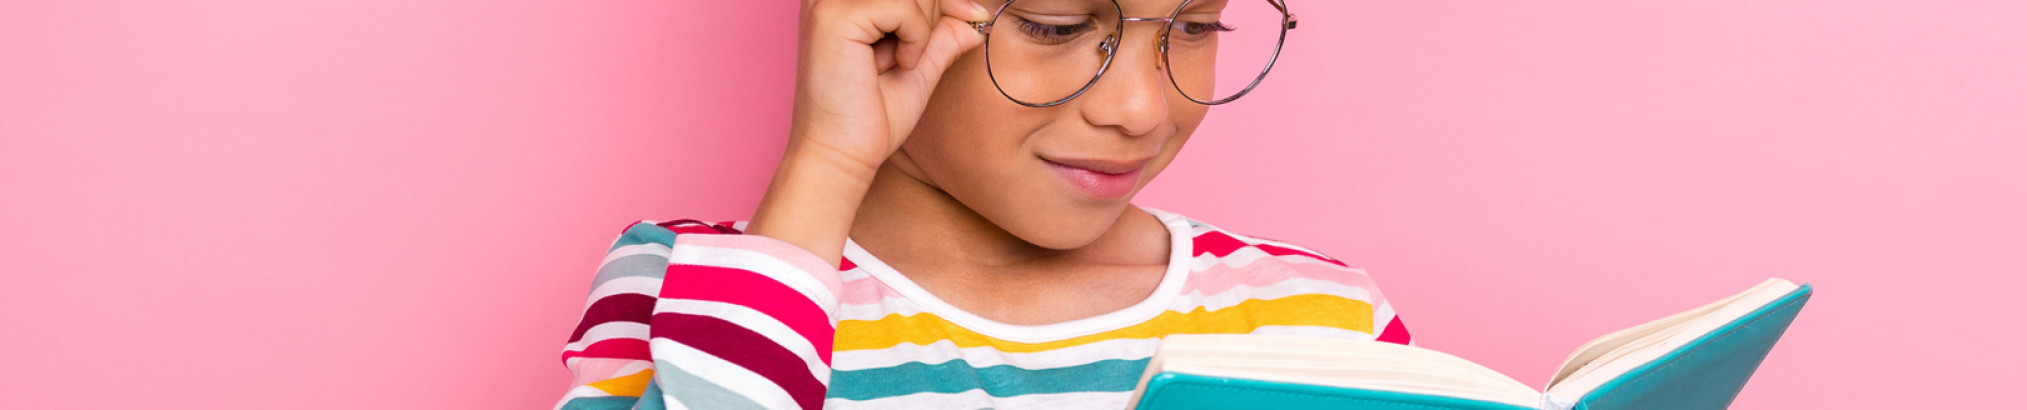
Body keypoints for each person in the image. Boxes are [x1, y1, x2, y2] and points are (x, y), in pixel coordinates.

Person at [550, 0, 1408, 408]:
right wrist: (830, 156)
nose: (1141, 109)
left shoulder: (1318, 320)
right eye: (1056, 24)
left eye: (1193, 27)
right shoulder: (695, 290)